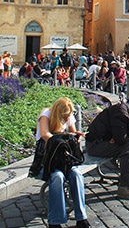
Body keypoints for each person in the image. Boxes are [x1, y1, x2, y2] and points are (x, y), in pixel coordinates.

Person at [36, 97, 91, 228]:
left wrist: (75, 136)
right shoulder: (46, 115)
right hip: (48, 160)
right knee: (57, 177)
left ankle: (82, 218)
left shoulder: (69, 116)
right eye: (65, 116)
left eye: (69, 116)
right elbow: (44, 134)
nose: (67, 119)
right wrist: (61, 140)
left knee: (77, 175)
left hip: (65, 159)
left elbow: (71, 132)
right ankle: (55, 221)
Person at [85, 102, 129, 200]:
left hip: (105, 140)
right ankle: (124, 187)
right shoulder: (122, 115)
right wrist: (124, 137)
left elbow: (120, 137)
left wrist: (124, 136)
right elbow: (121, 140)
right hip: (95, 144)